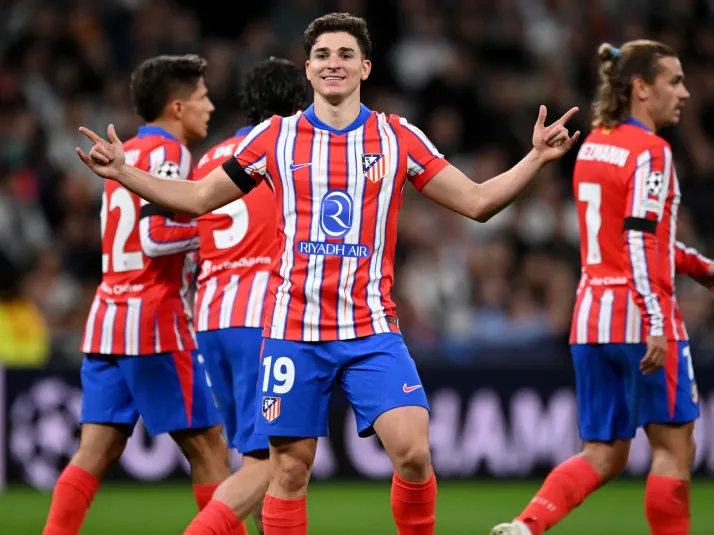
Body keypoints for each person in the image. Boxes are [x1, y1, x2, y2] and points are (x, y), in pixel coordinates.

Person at [75, 13, 579, 535]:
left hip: (370, 329)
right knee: (289, 470)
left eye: (344, 55)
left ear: (365, 67)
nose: (332, 64)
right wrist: (124, 173)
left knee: (413, 451)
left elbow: (476, 202)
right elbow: (200, 197)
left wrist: (536, 158)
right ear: (308, 68)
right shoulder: (275, 137)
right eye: (322, 55)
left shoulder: (397, 136)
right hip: (294, 331)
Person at [490, 40, 714, 535]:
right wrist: (655, 319)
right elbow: (639, 239)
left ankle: (527, 525)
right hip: (641, 316)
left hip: (591, 317)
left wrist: (700, 268)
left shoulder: (594, 143)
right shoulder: (653, 152)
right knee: (674, 450)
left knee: (603, 453)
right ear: (641, 88)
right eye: (675, 81)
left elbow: (626, 236)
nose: (685, 93)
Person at [43, 54, 228, 535]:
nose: (210, 106)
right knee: (209, 448)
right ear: (177, 106)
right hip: (154, 319)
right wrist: (221, 232)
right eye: (203, 96)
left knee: (95, 451)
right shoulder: (170, 152)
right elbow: (156, 237)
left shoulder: (128, 152)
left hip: (108, 317)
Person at [183, 57, 309, 535]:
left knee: (258, 459)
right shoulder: (287, 149)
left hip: (212, 318)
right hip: (264, 319)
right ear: (299, 105)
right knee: (279, 462)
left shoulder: (209, 159)